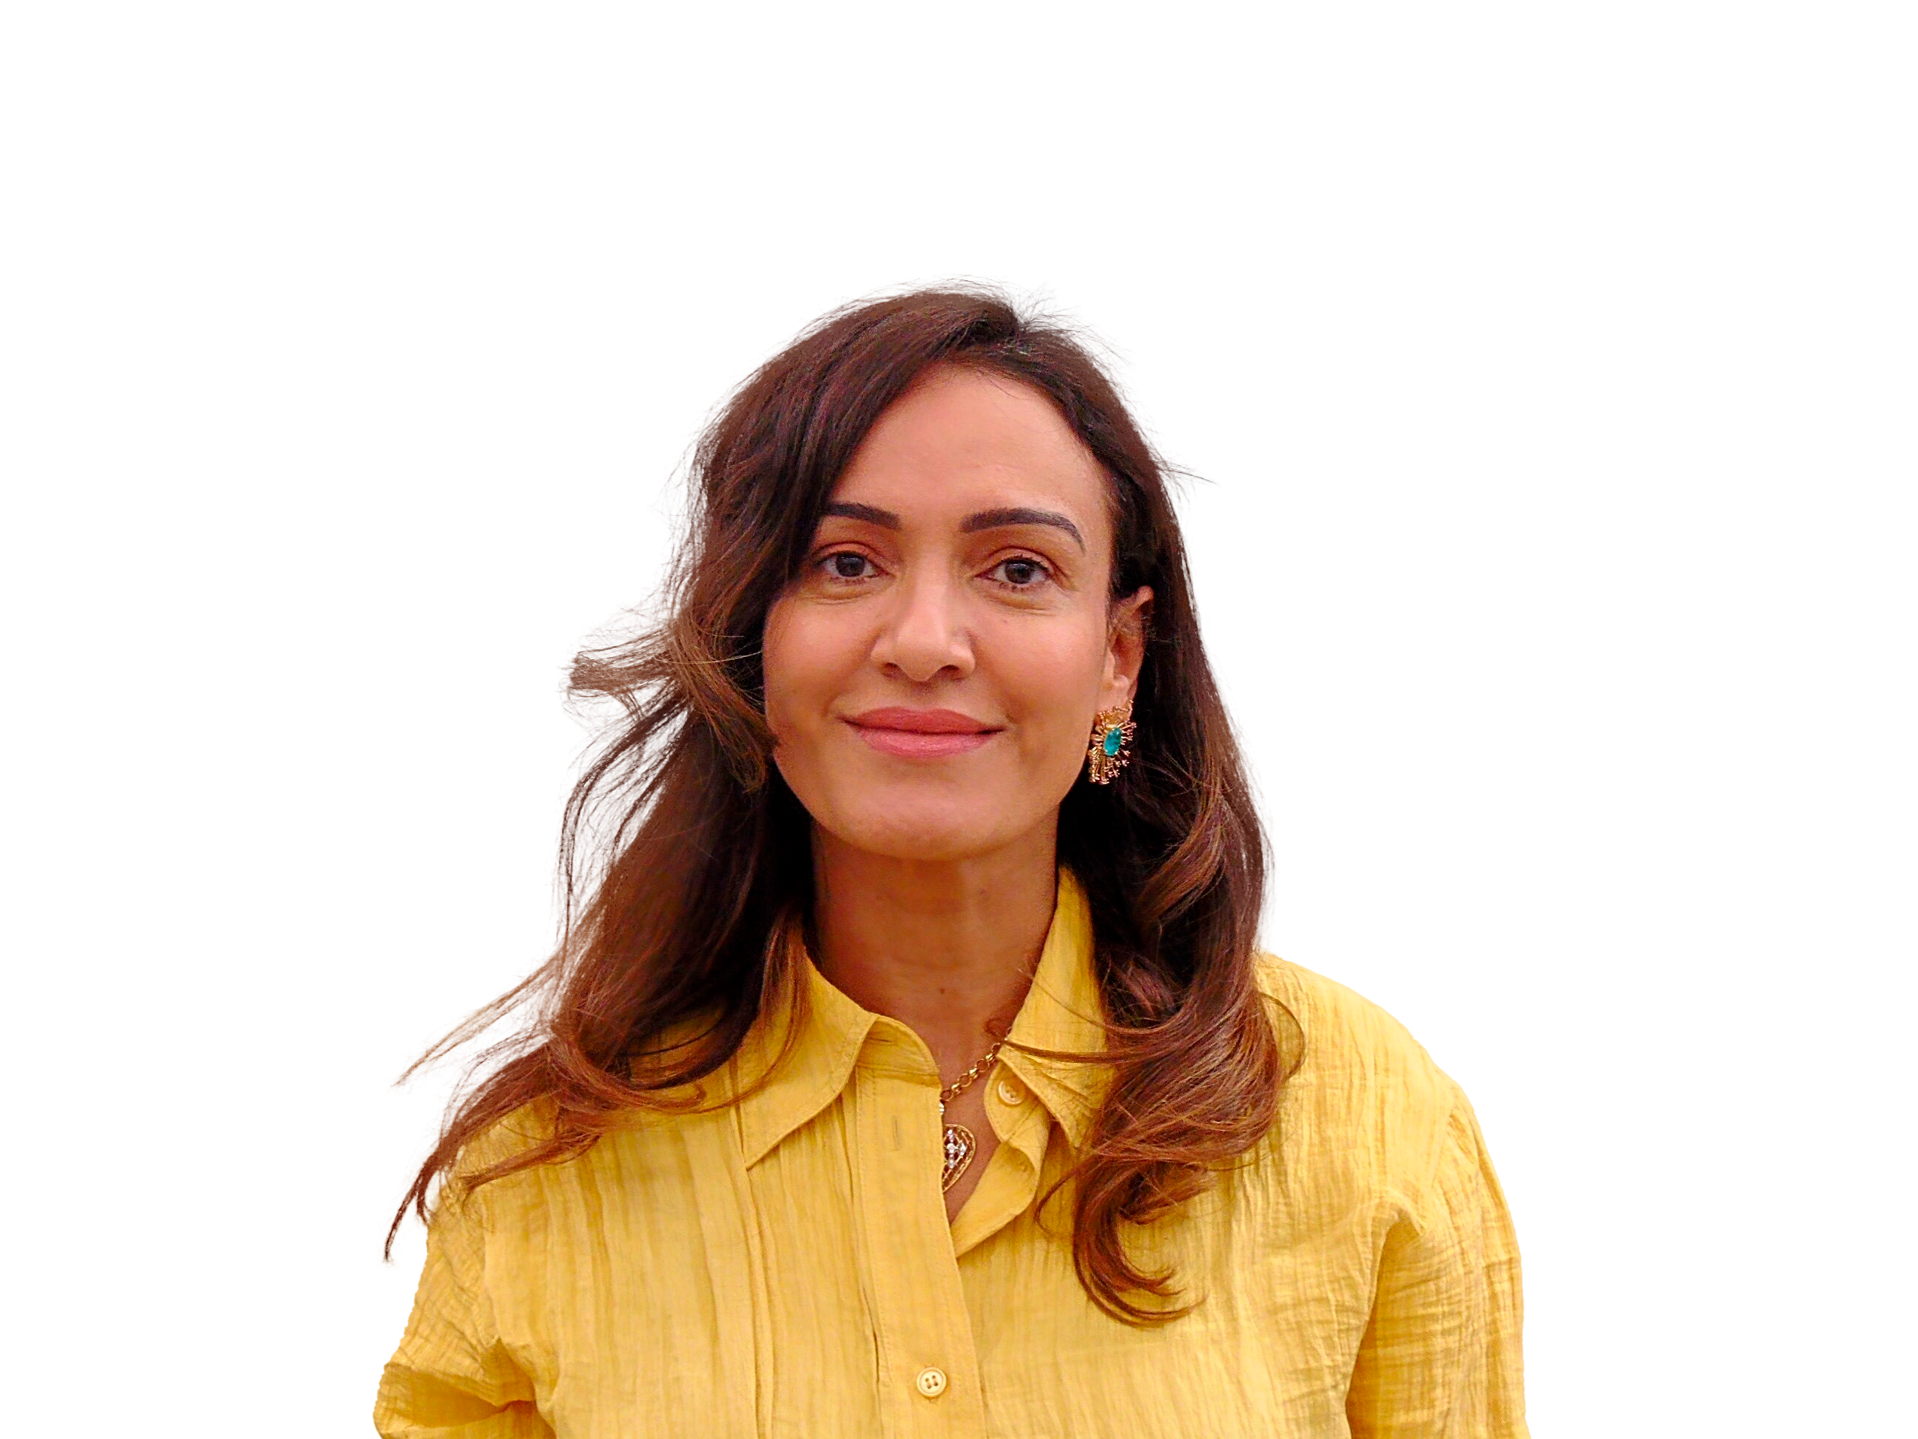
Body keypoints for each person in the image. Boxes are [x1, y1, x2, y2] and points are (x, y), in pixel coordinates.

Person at [373, 273, 1529, 1437]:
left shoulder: (1364, 1117)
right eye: (845, 562)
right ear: (756, 642)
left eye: (1017, 568)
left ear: (1117, 658)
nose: (924, 641)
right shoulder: (540, 1165)